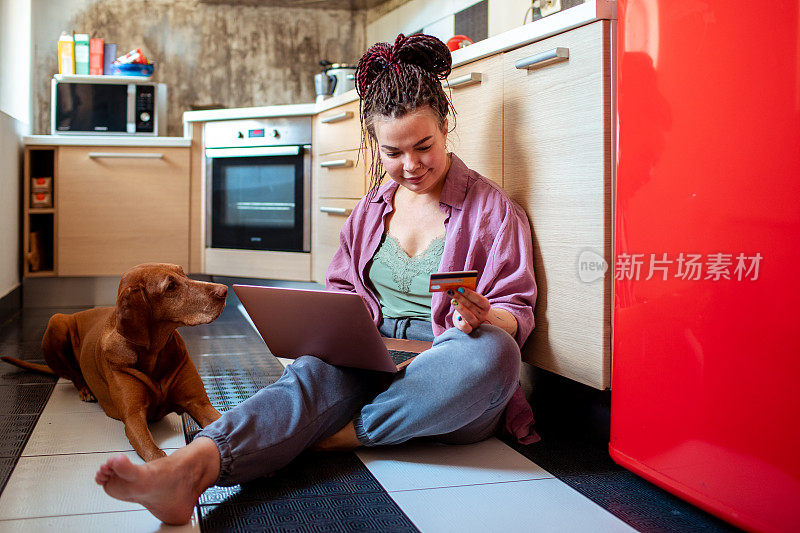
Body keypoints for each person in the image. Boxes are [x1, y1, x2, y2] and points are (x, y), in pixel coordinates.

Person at [94, 33, 539, 525]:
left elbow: (516, 314)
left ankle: (336, 432)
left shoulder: (494, 212)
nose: (410, 166)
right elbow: (343, 296)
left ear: (445, 127)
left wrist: (486, 315)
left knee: (496, 354)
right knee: (312, 372)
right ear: (375, 143)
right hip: (372, 356)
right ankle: (190, 469)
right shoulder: (370, 213)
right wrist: (333, 334)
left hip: (448, 370)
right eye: (393, 152)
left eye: (424, 146)